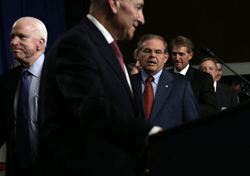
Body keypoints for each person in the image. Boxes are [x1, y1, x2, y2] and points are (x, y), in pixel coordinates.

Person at [38, 0, 162, 175]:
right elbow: (93, 109)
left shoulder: (108, 49)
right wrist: (152, 136)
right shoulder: (76, 44)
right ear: (114, 3)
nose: (142, 19)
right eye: (138, 8)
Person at [0, 17, 47, 175]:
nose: (14, 42)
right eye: (12, 37)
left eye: (22, 36)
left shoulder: (59, 76)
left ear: (40, 42)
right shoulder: (7, 80)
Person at [133, 33, 200, 129]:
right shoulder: (129, 83)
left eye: (158, 52)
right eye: (147, 51)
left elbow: (193, 125)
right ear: (138, 55)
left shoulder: (181, 85)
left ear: (165, 57)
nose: (152, 55)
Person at [168, 36, 217, 117]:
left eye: (181, 54)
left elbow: (211, 108)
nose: (177, 58)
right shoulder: (164, 75)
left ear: (190, 55)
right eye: (174, 54)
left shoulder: (203, 78)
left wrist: (183, 108)